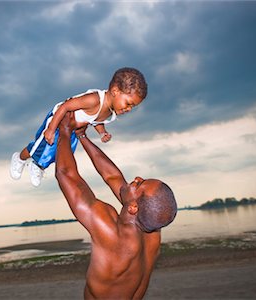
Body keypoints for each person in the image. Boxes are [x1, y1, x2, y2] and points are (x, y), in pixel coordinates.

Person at [55, 112, 177, 299]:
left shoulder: (111, 233)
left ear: (134, 208)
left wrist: (64, 129)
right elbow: (113, 177)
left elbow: (66, 174)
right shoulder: (153, 234)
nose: (136, 179)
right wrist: (81, 136)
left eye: (139, 184)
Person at [10, 67, 147, 187]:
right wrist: (51, 129)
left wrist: (102, 132)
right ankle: (20, 158)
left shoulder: (109, 110)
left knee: (56, 154)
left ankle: (38, 166)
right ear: (115, 91)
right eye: (128, 103)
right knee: (37, 148)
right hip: (58, 120)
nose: (129, 109)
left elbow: (96, 120)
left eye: (132, 107)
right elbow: (65, 106)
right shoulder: (93, 100)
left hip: (71, 130)